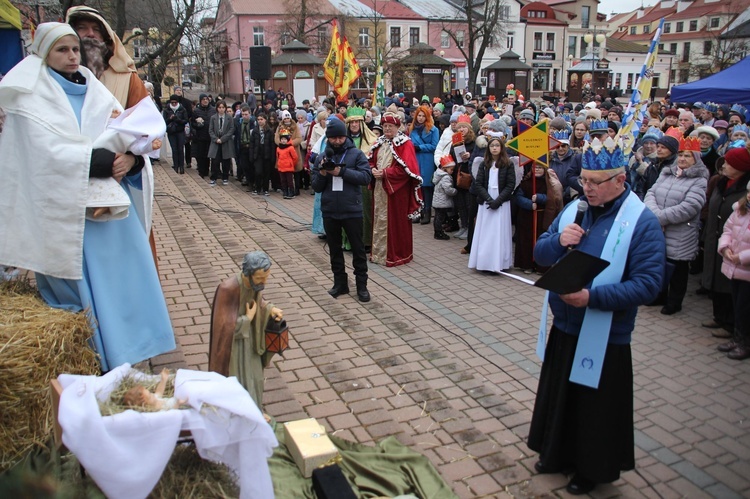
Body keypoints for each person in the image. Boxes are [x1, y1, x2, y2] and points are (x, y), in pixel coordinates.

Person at [0, 23, 175, 372]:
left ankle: (131, 352)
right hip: (65, 214)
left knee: (124, 283)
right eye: (61, 50)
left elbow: (127, 133)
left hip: (111, 212)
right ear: (43, 53)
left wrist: (133, 159)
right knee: (80, 296)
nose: (71, 57)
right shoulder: (28, 98)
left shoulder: (96, 91)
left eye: (75, 49)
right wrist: (97, 161)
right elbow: (37, 155)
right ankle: (91, 362)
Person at [528, 136, 666, 496]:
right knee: (562, 396)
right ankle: (555, 453)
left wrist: (592, 297)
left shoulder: (641, 222)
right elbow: (539, 254)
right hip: (566, 325)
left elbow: (649, 285)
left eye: (594, 182)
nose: (585, 188)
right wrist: (558, 242)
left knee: (594, 408)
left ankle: (591, 468)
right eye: (584, 181)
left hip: (606, 334)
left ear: (620, 180)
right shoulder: (573, 210)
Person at [209, 251, 283, 414]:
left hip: (251, 340)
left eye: (266, 277)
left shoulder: (255, 286)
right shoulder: (227, 289)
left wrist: (270, 309)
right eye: (259, 278)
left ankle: (255, 410)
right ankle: (239, 413)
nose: (263, 282)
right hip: (233, 348)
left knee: (255, 378)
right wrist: (246, 319)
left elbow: (258, 302)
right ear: (247, 274)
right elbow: (222, 327)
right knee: (239, 379)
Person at [644, 136, 708, 315]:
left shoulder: (699, 180)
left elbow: (690, 207)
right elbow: (651, 193)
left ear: (695, 159)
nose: (682, 159)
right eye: (680, 155)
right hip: (660, 227)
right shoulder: (667, 172)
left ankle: (675, 301)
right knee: (660, 262)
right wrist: (655, 214)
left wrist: (660, 217)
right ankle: (660, 295)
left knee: (677, 268)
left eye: (687, 156)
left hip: (681, 231)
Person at [311, 118, 373, 301]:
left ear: (345, 136)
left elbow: (365, 177)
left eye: (340, 137)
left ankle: (362, 285)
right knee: (335, 250)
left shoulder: (356, 154)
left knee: (358, 250)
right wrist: (322, 173)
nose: (337, 141)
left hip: (352, 210)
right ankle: (340, 284)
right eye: (333, 138)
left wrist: (342, 172)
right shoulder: (322, 156)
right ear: (328, 138)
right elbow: (316, 186)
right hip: (330, 210)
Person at [701, 143, 750, 335]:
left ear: (741, 168)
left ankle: (730, 324)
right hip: (717, 237)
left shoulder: (743, 191)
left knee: (728, 283)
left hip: (736, 245)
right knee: (714, 277)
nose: (724, 166)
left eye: (729, 163)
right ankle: (719, 317)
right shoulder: (720, 182)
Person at [367, 112, 424, 267]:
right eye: (384, 126)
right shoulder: (379, 143)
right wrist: (372, 169)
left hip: (397, 191)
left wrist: (385, 173)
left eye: (390, 126)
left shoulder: (405, 144)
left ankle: (397, 255)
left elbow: (407, 170)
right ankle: (379, 253)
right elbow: (371, 160)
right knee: (379, 219)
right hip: (380, 188)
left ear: (397, 127)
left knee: (396, 223)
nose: (387, 129)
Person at [468, 136, 515, 272]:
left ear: (501, 147)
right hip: (486, 201)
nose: (494, 148)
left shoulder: (508, 164)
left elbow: (510, 184)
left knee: (499, 231)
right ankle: (484, 262)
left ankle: (499, 262)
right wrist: (489, 199)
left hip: (501, 202)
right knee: (486, 232)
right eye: (492, 145)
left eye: (497, 145)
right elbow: (479, 184)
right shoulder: (484, 164)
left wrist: (498, 201)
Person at [716, 175, 750, 360]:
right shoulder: (740, 210)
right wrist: (725, 247)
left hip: (746, 268)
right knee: (737, 305)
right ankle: (738, 338)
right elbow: (728, 229)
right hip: (735, 267)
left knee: (745, 308)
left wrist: (742, 257)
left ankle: (745, 342)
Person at [514, 162, 563, 274]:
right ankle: (527, 264)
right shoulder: (525, 182)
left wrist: (540, 198)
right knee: (526, 240)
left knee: (540, 240)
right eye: (535, 167)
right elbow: (519, 197)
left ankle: (541, 266)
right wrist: (529, 204)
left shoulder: (549, 184)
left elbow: (553, 198)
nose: (537, 170)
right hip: (526, 216)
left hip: (542, 216)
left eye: (540, 168)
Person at [345, 107, 378, 249]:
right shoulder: (342, 139)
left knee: (365, 211)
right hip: (346, 179)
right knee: (347, 211)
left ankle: (365, 241)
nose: (354, 125)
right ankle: (348, 242)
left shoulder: (372, 140)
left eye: (357, 122)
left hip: (364, 182)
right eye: (351, 122)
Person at [409, 105, 440, 225]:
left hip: (427, 159)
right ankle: (419, 211)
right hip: (415, 159)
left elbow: (434, 145)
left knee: (427, 187)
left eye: (423, 116)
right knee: (417, 186)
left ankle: (427, 211)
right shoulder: (412, 129)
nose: (420, 118)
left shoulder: (433, 129)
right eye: (419, 115)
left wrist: (419, 147)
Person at [122, 369, 187, 410]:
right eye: (150, 396)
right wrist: (178, 405)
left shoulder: (154, 400)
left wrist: (163, 380)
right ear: (145, 406)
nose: (152, 395)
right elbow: (172, 415)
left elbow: (158, 393)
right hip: (182, 406)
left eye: (150, 393)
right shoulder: (158, 411)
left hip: (179, 399)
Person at [208, 100, 235, 186]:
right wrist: (216, 139)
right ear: (217, 108)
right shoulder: (213, 118)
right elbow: (210, 130)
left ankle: (225, 177)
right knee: (215, 161)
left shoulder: (229, 118)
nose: (221, 109)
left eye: (223, 107)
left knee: (225, 161)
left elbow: (231, 130)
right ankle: (213, 177)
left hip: (225, 142)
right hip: (215, 142)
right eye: (219, 107)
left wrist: (223, 139)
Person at [432, 156, 458, 240]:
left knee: (437, 217)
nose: (452, 171)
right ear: (445, 168)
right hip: (442, 201)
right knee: (440, 218)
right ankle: (439, 233)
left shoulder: (437, 174)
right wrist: (455, 191)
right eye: (451, 169)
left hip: (437, 201)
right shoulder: (446, 177)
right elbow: (448, 189)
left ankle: (437, 231)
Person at [163, 94, 188, 174]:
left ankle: (181, 166)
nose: (174, 104)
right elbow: (164, 122)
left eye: (175, 102)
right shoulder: (166, 110)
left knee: (180, 149)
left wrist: (177, 119)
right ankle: (176, 166)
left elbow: (185, 121)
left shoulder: (182, 109)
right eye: (172, 102)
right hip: (171, 132)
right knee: (174, 149)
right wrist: (170, 119)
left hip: (180, 131)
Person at [192, 94, 215, 178]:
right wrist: (198, 125)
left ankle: (209, 170)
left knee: (209, 154)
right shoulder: (196, 111)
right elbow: (193, 124)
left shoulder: (213, 110)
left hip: (211, 136)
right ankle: (202, 171)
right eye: (203, 99)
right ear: (200, 101)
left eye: (206, 99)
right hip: (201, 136)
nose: (205, 101)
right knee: (201, 155)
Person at [251, 113, 274, 195]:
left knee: (266, 172)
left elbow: (272, 145)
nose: (260, 121)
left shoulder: (269, 130)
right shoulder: (255, 130)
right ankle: (257, 188)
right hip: (258, 154)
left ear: (265, 120)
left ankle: (265, 189)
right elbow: (252, 144)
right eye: (258, 119)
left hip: (266, 154)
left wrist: (272, 157)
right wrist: (252, 155)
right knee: (258, 172)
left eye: (261, 119)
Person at [276, 128, 298, 199]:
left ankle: (291, 192)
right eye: (282, 139)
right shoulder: (278, 148)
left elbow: (295, 157)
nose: (283, 140)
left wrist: (291, 164)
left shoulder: (290, 148)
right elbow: (278, 156)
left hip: (288, 167)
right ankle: (285, 191)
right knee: (283, 180)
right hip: (281, 167)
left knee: (290, 181)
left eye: (285, 139)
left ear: (288, 140)